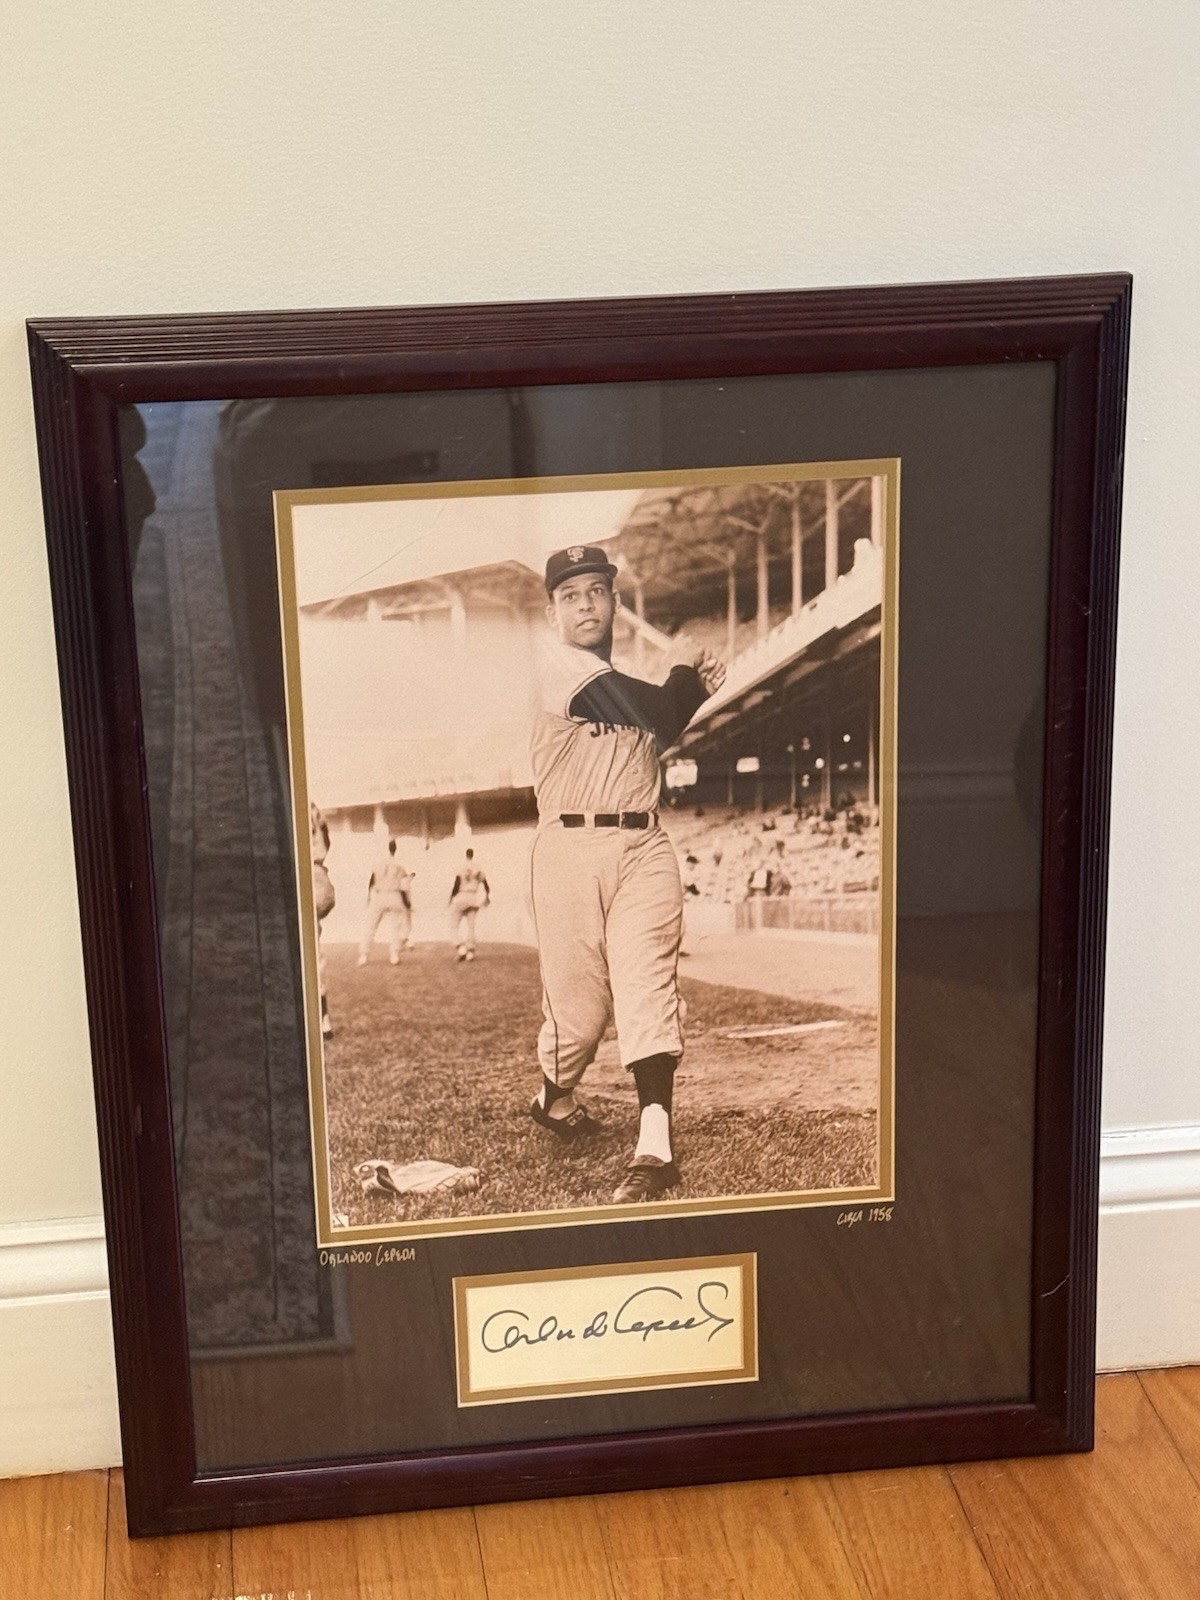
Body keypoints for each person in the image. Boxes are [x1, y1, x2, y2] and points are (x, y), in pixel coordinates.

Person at [528, 544, 725, 1203]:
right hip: (568, 853)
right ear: (553, 611)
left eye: (595, 591)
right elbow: (665, 712)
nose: (584, 604)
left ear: (615, 601)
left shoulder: (627, 687)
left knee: (645, 989)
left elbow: (659, 728)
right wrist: (685, 670)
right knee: (579, 1019)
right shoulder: (555, 667)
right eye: (570, 595)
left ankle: (655, 1144)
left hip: (644, 846)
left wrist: (690, 686)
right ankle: (554, 1097)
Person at [358, 837, 414, 966]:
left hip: (380, 895)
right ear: (396, 849)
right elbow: (404, 885)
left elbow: (371, 882)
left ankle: (363, 955)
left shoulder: (378, 863)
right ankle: (394, 954)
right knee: (396, 926)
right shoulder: (400, 865)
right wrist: (406, 903)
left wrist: (368, 897)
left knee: (371, 926)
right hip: (394, 895)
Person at [310, 802, 335, 1038]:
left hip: (305, 873)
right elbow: (327, 841)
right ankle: (324, 1021)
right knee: (313, 955)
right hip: (320, 876)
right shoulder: (315, 807)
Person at [449, 847, 489, 961]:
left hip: (462, 895)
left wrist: (451, 897)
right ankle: (470, 951)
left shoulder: (461, 866)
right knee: (471, 925)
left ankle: (461, 947)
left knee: (454, 924)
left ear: (466, 855)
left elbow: (456, 884)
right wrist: (487, 896)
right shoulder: (478, 867)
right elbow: (486, 883)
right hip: (473, 896)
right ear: (473, 854)